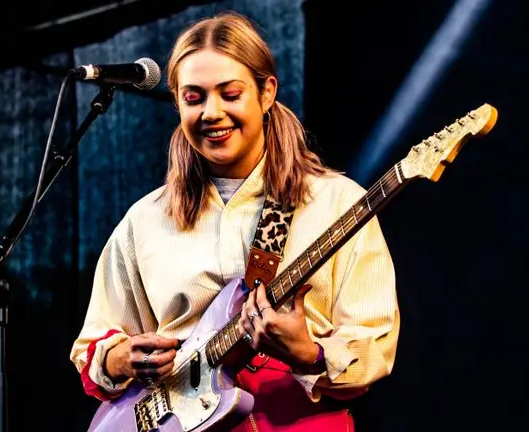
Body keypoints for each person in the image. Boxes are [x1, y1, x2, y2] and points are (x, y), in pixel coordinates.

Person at [70, 11, 400, 432]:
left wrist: (307, 353)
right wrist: (120, 358)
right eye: (194, 97)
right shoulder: (145, 220)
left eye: (230, 94)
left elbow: (375, 345)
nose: (212, 112)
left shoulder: (337, 203)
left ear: (266, 93)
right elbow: (94, 344)